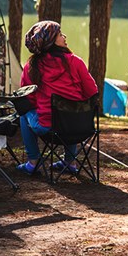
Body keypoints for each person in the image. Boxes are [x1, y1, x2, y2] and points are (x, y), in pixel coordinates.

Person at [16, 20, 99, 175]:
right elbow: (92, 91)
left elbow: (29, 98)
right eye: (60, 34)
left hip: (48, 128)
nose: (64, 36)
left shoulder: (32, 67)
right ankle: (70, 162)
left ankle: (33, 162)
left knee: (24, 113)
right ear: (51, 40)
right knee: (70, 110)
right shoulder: (76, 61)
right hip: (80, 126)